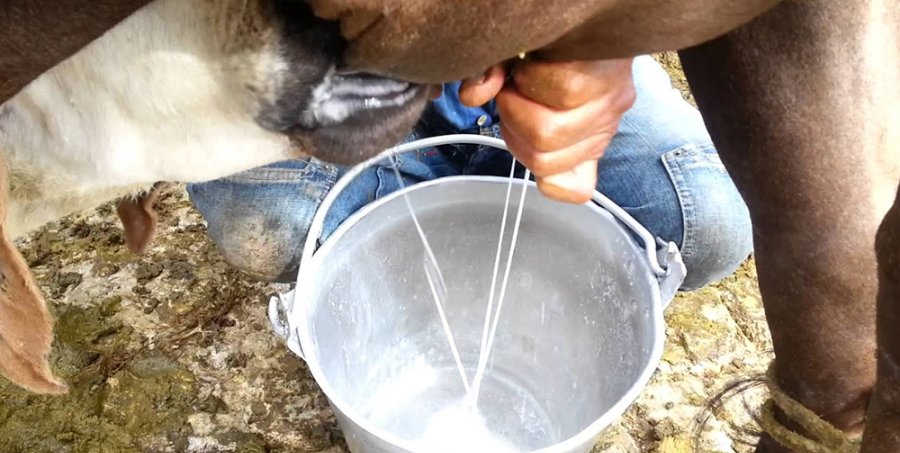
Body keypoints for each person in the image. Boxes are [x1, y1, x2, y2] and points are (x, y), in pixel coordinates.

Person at [185, 55, 752, 291]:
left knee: (707, 221)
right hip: (346, 85)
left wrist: (597, 51)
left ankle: (525, 277)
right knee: (270, 224)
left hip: (550, 53)